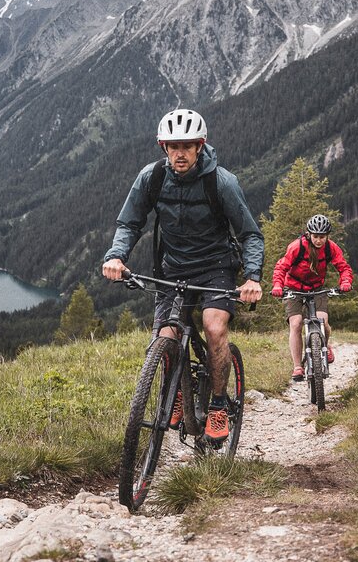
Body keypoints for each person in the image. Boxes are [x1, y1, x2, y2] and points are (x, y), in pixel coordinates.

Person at [102, 107, 264, 444]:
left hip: (215, 267)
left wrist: (251, 277)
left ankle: (219, 406)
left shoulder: (221, 182)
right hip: (172, 269)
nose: (180, 153)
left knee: (214, 327)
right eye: (173, 146)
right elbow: (129, 222)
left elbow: (250, 234)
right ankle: (176, 390)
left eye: (187, 146)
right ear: (163, 147)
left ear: (200, 146)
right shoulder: (152, 177)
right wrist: (116, 255)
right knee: (167, 335)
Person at [271, 214, 353, 381]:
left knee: (323, 321)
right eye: (315, 236)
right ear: (309, 234)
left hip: (316, 288)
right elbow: (281, 267)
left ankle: (325, 345)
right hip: (294, 288)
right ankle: (298, 367)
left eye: (322, 237)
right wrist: (278, 286)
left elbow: (344, 267)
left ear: (327, 236)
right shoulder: (297, 247)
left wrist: (345, 282)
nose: (319, 240)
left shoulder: (331, 248)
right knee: (296, 323)